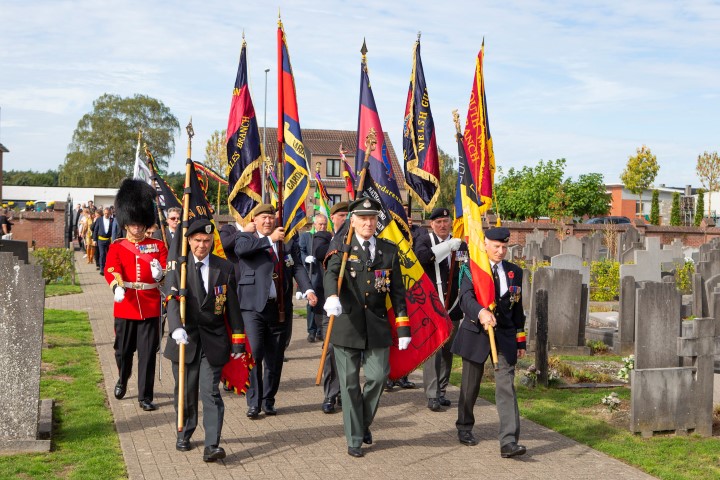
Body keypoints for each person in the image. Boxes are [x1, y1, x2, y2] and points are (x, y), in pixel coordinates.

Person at [323, 197, 411, 458]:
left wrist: (403, 326)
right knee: (349, 384)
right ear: (353, 221)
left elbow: (397, 292)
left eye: (372, 218)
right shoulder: (342, 246)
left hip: (377, 325)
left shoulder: (389, 250)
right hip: (347, 324)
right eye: (362, 219)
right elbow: (331, 273)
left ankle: (361, 423)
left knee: (378, 377)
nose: (368, 223)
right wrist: (331, 296)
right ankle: (354, 439)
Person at [164, 218, 245, 462]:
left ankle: (212, 444)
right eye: (197, 240)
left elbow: (233, 307)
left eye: (207, 241)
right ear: (189, 241)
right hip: (185, 339)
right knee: (186, 391)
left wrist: (239, 341)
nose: (202, 245)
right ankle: (185, 431)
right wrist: (176, 327)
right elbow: (171, 300)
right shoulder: (178, 267)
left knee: (210, 392)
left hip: (214, 340)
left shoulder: (225, 267)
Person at [235, 204, 317, 418]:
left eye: (271, 217)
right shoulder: (247, 238)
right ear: (255, 219)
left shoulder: (288, 240)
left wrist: (308, 289)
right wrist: (270, 240)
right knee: (255, 353)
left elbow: (297, 266)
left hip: (279, 308)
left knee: (275, 357)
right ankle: (253, 401)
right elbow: (241, 251)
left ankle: (268, 399)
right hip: (253, 307)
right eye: (263, 217)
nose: (268, 221)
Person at [452, 227, 527, 458]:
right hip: (476, 331)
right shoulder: (471, 268)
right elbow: (465, 298)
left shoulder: (515, 271)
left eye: (504, 247)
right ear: (485, 245)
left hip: (504, 336)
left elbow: (517, 307)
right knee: (470, 385)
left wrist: (520, 340)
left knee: (506, 386)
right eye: (496, 246)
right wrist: (481, 312)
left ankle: (509, 441)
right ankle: (465, 426)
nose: (501, 251)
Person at [104, 179, 167, 412]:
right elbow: (112, 269)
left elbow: (164, 272)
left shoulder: (158, 245)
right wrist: (116, 287)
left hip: (150, 306)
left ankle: (145, 396)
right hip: (126, 305)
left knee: (148, 354)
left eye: (141, 224)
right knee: (122, 350)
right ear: (126, 223)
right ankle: (122, 378)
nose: (137, 228)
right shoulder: (118, 246)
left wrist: (160, 274)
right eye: (133, 224)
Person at [414, 207, 466, 411]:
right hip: (431, 304)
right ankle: (432, 393)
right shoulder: (425, 240)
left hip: (452, 304)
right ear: (431, 224)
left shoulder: (460, 242)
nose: (443, 225)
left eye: (446, 221)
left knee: (447, 350)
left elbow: (465, 266)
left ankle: (442, 390)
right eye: (438, 222)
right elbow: (422, 258)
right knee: (433, 349)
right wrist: (446, 248)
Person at [311, 201, 348, 413]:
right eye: (340, 215)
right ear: (332, 218)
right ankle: (330, 395)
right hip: (330, 305)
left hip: (350, 306)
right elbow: (319, 252)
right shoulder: (325, 236)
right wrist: (342, 240)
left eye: (347, 215)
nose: (344, 219)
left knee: (350, 354)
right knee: (331, 351)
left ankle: (346, 393)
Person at [299, 214, 328, 343]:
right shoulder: (306, 236)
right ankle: (311, 331)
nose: (322, 226)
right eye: (320, 224)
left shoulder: (329, 237)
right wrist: (305, 258)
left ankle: (321, 331)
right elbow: (300, 251)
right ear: (314, 224)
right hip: (312, 273)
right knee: (312, 303)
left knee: (324, 304)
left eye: (324, 224)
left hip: (324, 274)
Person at [93, 207, 114, 274]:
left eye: (108, 214)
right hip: (100, 240)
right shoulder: (99, 220)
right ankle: (102, 269)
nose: (106, 215)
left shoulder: (112, 220)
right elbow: (95, 230)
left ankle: (107, 268)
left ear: (110, 213)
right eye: (105, 213)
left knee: (108, 255)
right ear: (103, 213)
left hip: (108, 240)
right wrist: (94, 240)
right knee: (102, 254)